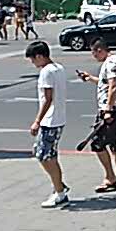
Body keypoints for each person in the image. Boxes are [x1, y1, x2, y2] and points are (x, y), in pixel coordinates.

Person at [25, 39, 69, 208]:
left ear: (40, 56)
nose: (33, 63)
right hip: (58, 118)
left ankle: (59, 191)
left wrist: (37, 121)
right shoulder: (59, 68)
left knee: (44, 155)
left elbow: (48, 98)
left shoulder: (46, 72)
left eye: (33, 59)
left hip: (50, 120)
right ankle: (59, 185)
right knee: (46, 154)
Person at [79, 38, 116, 191]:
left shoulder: (111, 63)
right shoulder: (112, 61)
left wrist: (107, 111)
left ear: (99, 50)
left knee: (97, 144)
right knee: (115, 144)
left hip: (111, 110)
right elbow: (105, 83)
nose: (94, 56)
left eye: (93, 53)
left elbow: (113, 87)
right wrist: (90, 78)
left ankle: (110, 177)